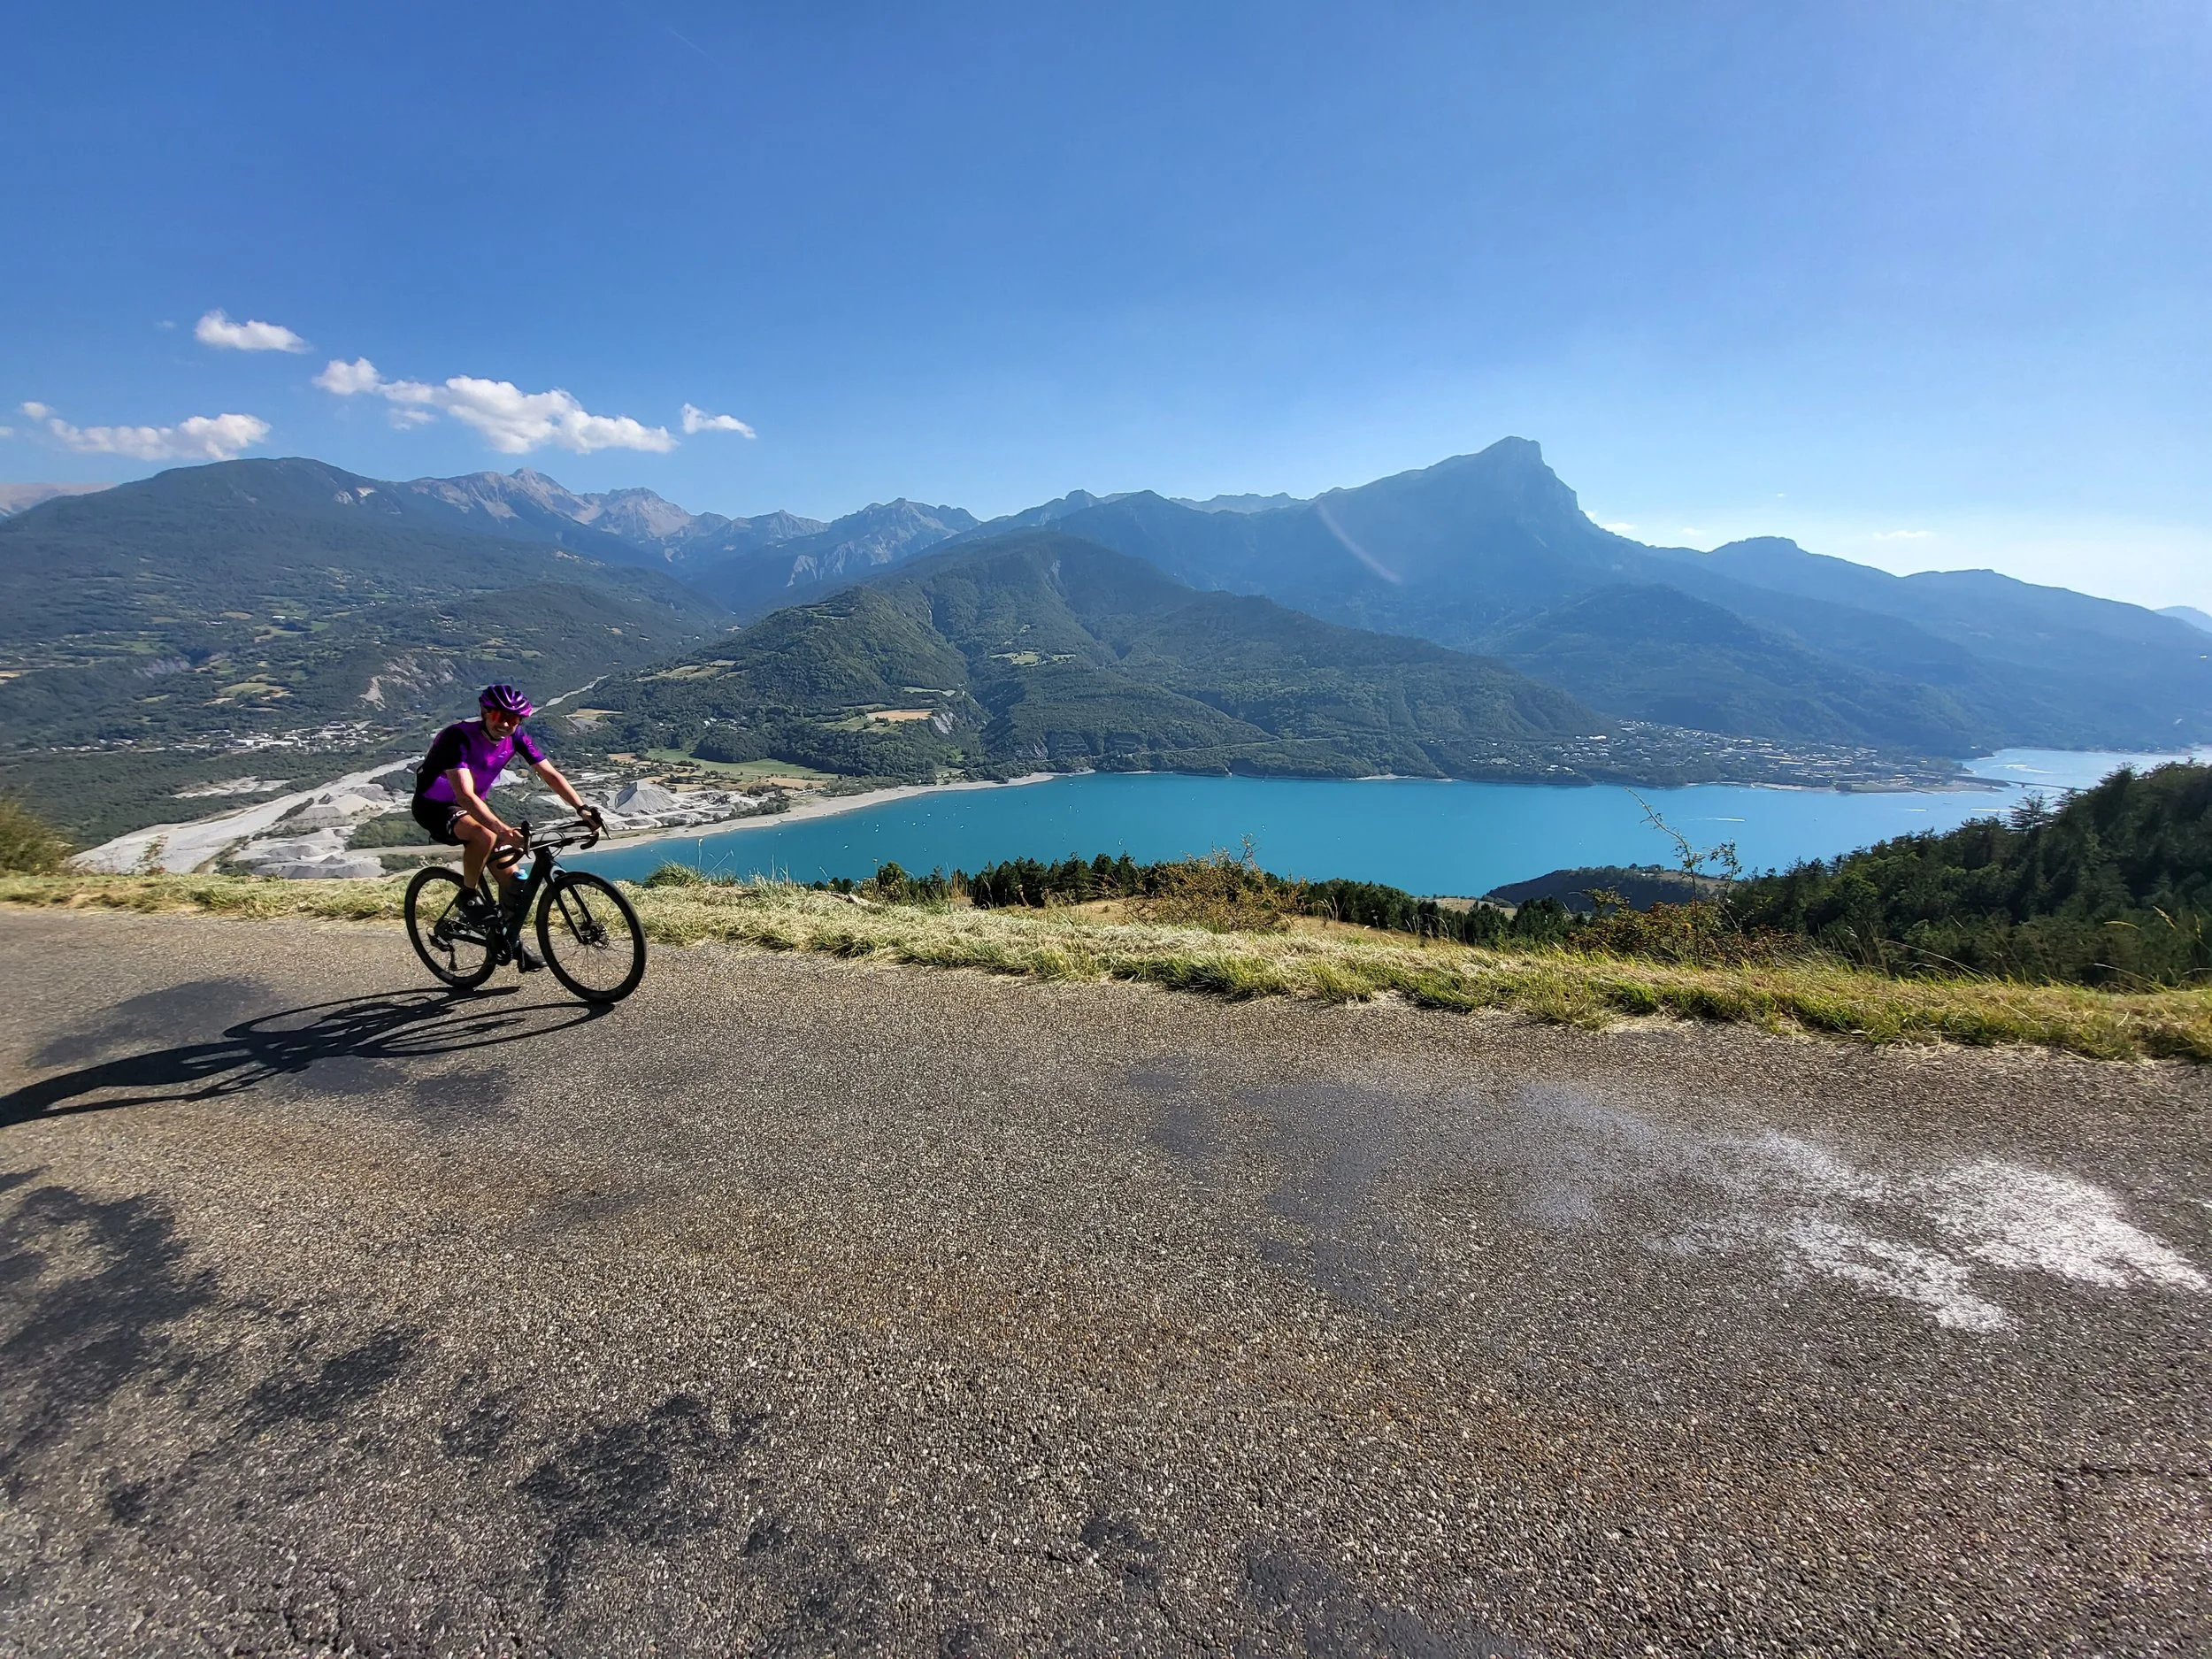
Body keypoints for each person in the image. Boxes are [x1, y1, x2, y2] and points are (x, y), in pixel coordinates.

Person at [411, 685, 603, 965]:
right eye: (500, 716)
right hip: (435, 807)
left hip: (474, 807)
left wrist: (581, 808)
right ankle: (468, 897)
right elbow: (464, 795)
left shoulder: (517, 737)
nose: (506, 724)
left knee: (516, 884)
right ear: (485, 712)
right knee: (484, 836)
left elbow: (549, 774)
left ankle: (508, 940)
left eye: (514, 720)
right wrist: (502, 831)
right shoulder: (458, 737)